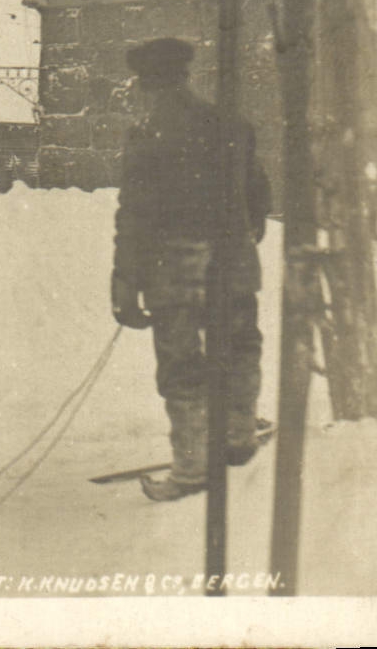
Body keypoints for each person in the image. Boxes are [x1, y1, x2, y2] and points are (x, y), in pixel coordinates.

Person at [111, 37, 271, 502]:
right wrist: (244, 234)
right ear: (185, 75)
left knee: (183, 366)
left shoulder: (148, 134)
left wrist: (125, 283)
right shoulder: (231, 125)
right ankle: (239, 442)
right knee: (239, 348)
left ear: (146, 83)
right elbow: (258, 194)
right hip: (233, 261)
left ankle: (192, 468)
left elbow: (134, 215)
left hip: (174, 269)